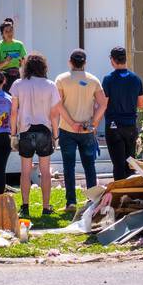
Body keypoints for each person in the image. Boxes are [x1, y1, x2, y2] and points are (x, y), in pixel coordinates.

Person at [54, 48, 106, 214]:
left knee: (68, 166)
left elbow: (58, 104)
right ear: (84, 62)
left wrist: (71, 122)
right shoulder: (93, 80)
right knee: (89, 165)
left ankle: (70, 202)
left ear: (70, 62)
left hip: (67, 129)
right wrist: (93, 122)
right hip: (86, 130)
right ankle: (92, 200)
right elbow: (103, 103)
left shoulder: (61, 79)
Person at [10, 52, 62, 218]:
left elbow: (13, 112)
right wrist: (56, 135)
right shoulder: (50, 85)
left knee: (25, 171)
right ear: (43, 67)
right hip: (44, 130)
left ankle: (25, 207)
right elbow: (55, 114)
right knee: (45, 172)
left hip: (25, 130)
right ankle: (46, 207)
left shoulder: (18, 84)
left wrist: (12, 134)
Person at [101, 45, 143, 181]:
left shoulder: (108, 79)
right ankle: (131, 196)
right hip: (131, 125)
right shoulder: (136, 79)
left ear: (112, 60)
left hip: (113, 126)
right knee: (129, 164)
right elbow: (141, 104)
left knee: (118, 165)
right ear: (126, 59)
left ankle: (120, 196)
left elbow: (104, 103)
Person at [0, 18, 27, 92]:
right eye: (6, 31)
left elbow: (24, 63)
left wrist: (22, 63)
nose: (9, 33)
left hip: (17, 77)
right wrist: (5, 62)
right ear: (2, 33)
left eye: (11, 31)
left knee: (17, 101)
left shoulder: (19, 44)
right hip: (3, 78)